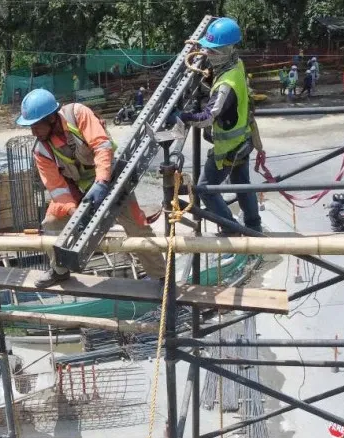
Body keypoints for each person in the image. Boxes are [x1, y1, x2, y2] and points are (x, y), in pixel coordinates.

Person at [16, 88, 166, 287]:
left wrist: (102, 181)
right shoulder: (41, 150)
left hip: (113, 180)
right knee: (52, 223)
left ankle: (162, 276)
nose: (33, 131)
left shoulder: (77, 114)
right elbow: (57, 189)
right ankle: (59, 271)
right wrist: (75, 212)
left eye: (36, 125)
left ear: (51, 118)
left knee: (136, 225)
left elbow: (101, 146)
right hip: (80, 190)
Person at [177, 17, 262, 235]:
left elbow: (206, 117)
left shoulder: (226, 85)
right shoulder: (236, 63)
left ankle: (230, 227)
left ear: (226, 50)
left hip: (229, 148)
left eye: (214, 51)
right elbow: (213, 60)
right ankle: (254, 226)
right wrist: (200, 47)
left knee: (205, 189)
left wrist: (182, 116)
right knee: (242, 185)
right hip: (243, 139)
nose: (209, 55)